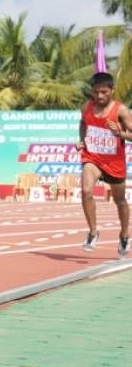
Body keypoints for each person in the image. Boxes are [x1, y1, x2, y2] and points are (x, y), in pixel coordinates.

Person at [77, 71, 131, 257]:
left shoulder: (121, 110)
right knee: (85, 190)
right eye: (96, 92)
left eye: (104, 92)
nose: (99, 96)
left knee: (120, 201)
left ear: (112, 90)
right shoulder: (86, 107)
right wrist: (82, 140)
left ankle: (124, 235)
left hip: (114, 163)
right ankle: (93, 232)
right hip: (92, 158)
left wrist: (120, 134)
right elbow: (82, 124)